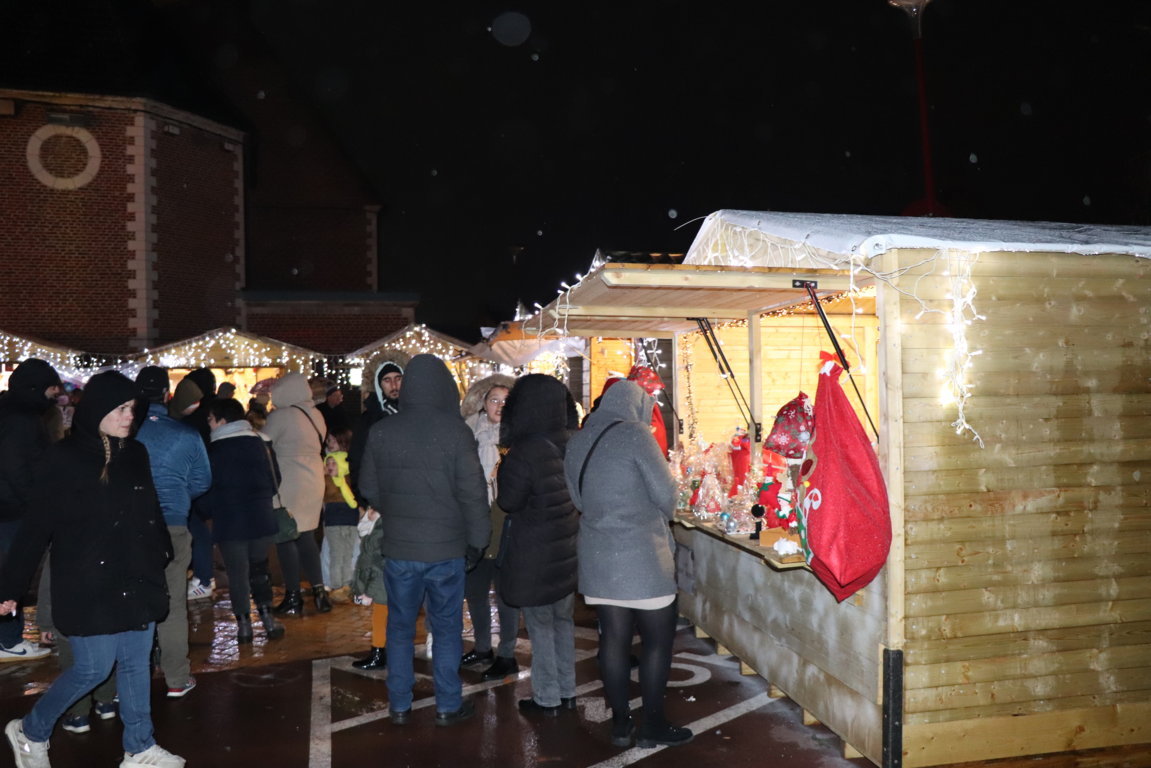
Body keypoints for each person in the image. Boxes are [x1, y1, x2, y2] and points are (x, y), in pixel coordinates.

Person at [0, 371, 185, 768]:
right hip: (88, 581)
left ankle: (139, 747)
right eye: (121, 409)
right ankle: (31, 731)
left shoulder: (135, 453)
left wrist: (161, 553)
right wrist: (10, 588)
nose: (129, 417)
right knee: (93, 668)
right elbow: (36, 528)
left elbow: (150, 510)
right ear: (98, 410)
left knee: (135, 665)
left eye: (132, 409)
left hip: (137, 576)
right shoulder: (63, 458)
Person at [359, 354, 489, 726]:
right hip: (447, 548)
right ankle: (448, 705)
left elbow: (367, 485)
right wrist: (478, 541)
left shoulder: (383, 431)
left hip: (400, 548)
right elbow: (473, 494)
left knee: (400, 627)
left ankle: (399, 704)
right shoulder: (456, 432)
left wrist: (395, 510)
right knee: (446, 627)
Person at [563, 379, 693, 749]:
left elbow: (578, 499)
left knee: (613, 641)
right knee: (656, 643)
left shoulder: (578, 440)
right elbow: (668, 497)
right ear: (637, 406)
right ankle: (652, 725)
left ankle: (621, 724)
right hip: (643, 559)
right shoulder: (636, 435)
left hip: (598, 559)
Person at [495, 374, 580, 716]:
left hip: (535, 553)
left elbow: (508, 501)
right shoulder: (571, 443)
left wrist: (502, 467)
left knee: (540, 624)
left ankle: (547, 697)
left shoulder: (526, 449)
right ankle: (567, 690)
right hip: (566, 548)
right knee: (563, 621)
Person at [134, 366, 212, 700]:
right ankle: (177, 678)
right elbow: (202, 480)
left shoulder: (125, 432)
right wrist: (179, 496)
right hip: (174, 524)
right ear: (167, 395)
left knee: (131, 599)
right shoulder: (186, 435)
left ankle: (128, 678)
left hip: (131, 525)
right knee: (173, 602)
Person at [201, 398, 285, 642]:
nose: (209, 424)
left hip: (229, 520)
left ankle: (244, 626)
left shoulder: (212, 449)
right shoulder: (261, 441)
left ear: (222, 421)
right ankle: (268, 620)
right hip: (260, 515)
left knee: (237, 573)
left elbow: (205, 487)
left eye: (211, 419)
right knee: (259, 568)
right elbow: (275, 480)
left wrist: (207, 510)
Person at [459, 375, 521, 681]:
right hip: (475, 517)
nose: (499, 406)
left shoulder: (518, 436)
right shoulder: (468, 432)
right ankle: (482, 647)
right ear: (483, 403)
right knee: (476, 589)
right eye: (494, 399)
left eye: (505, 401)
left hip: (505, 518)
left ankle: (507, 653)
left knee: (506, 591)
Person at [0, 358, 62, 663]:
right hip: (12, 509)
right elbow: (15, 466)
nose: (55, 396)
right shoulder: (21, 418)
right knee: (13, 575)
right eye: (51, 390)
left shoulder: (11, 410)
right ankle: (9, 639)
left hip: (9, 506)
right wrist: (35, 502)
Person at [262, 372, 330, 615]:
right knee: (307, 536)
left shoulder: (281, 415)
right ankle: (320, 593)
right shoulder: (316, 414)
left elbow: (262, 442)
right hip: (314, 479)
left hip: (289, 480)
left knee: (285, 536)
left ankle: (293, 596)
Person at [320, 427, 359, 604]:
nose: (330, 444)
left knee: (347, 551)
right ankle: (335, 584)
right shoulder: (327, 468)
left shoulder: (349, 467)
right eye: (329, 440)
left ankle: (345, 584)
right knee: (335, 551)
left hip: (347, 516)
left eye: (334, 440)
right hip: (335, 517)